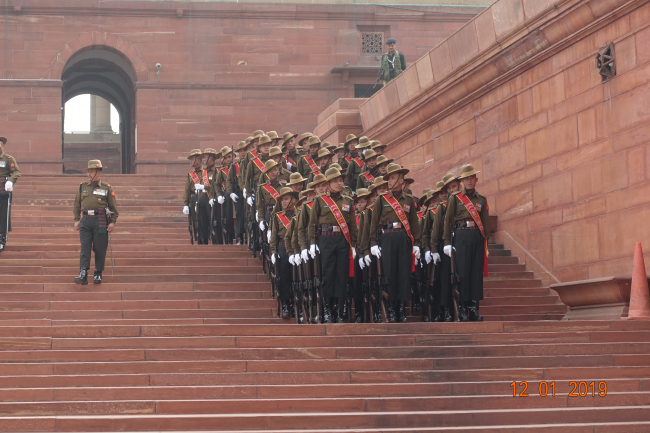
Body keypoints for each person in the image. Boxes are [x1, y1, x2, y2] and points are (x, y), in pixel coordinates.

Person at [369, 163, 420, 323]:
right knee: (389, 274)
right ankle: (390, 309)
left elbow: (414, 224)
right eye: (388, 178)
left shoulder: (409, 200)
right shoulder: (381, 200)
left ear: (401, 179)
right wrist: (373, 243)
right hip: (388, 238)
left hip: (403, 238)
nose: (389, 181)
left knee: (403, 274)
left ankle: (401, 310)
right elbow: (374, 223)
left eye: (392, 178)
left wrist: (417, 243)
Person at [308, 167, 357, 323]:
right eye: (335, 181)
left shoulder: (348, 200)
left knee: (341, 275)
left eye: (341, 180)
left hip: (343, 240)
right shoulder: (320, 200)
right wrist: (313, 243)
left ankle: (340, 309)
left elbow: (352, 225)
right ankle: (328, 310)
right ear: (328, 184)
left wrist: (353, 245)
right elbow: (313, 224)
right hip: (326, 239)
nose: (339, 183)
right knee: (328, 275)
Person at [443, 164, 489, 322]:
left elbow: (485, 224)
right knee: (462, 274)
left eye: (472, 178)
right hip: (461, 237)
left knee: (475, 273)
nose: (469, 181)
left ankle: (473, 309)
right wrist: (447, 242)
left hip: (476, 236)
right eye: (466, 178)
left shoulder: (481, 199)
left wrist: (485, 243)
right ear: (462, 181)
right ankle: (462, 309)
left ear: (476, 180)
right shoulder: (455, 199)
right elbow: (447, 222)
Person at [73, 159, 118, 285]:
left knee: (100, 248)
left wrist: (112, 222)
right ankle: (83, 273)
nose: (89, 174)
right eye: (88, 171)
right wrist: (77, 219)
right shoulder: (82, 187)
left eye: (91, 171)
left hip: (101, 220)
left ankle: (98, 272)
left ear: (98, 172)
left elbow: (113, 208)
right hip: (86, 220)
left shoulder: (107, 188)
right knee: (85, 247)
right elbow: (77, 204)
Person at [428, 174, 460, 322]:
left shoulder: (462, 203)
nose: (448, 193)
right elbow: (435, 232)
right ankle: (446, 309)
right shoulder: (441, 208)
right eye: (446, 191)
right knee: (445, 280)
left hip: (459, 243)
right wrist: (434, 250)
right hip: (444, 246)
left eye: (454, 187)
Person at [269, 187, 300, 320]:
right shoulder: (277, 217)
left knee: (299, 277)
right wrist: (273, 251)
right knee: (284, 278)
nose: (284, 202)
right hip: (282, 248)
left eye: (286, 199)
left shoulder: (299, 214)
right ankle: (286, 304)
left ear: (293, 199)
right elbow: (274, 237)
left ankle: (297, 303)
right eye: (282, 199)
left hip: (296, 248)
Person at [182, 149, 211, 244]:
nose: (190, 162)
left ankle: (206, 239)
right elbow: (187, 190)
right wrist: (186, 204)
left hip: (204, 197)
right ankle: (198, 239)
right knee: (195, 221)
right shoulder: (190, 175)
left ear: (198, 160)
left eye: (192, 159)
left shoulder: (206, 172)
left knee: (204, 220)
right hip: (194, 198)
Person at [353, 188, 370, 322]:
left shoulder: (371, 215)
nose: (359, 205)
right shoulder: (353, 219)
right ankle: (359, 312)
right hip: (356, 254)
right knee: (357, 285)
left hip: (370, 253)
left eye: (362, 201)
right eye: (357, 202)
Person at [0, 136, 20, 252]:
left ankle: (2, 238)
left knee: (3, 215)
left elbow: (16, 172)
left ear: (2, 146)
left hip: (3, 190)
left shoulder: (8, 159)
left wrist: (10, 181)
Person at [226, 141, 247, 245]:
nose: (243, 153)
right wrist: (230, 193)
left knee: (248, 215)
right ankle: (239, 237)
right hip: (238, 193)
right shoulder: (235, 166)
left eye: (244, 150)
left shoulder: (251, 164)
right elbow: (228, 180)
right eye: (241, 151)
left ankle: (249, 236)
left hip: (249, 193)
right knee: (239, 215)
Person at [214, 147, 235, 244]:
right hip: (227, 195)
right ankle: (229, 237)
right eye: (226, 158)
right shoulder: (222, 171)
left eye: (230, 157)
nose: (228, 159)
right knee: (228, 217)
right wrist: (219, 195)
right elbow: (217, 184)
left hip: (238, 193)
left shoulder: (239, 167)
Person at [203, 148, 222, 244]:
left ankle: (216, 239)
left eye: (205, 157)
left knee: (216, 220)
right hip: (205, 198)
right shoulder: (203, 172)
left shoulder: (218, 170)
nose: (203, 159)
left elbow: (216, 185)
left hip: (214, 198)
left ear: (211, 158)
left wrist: (205, 187)